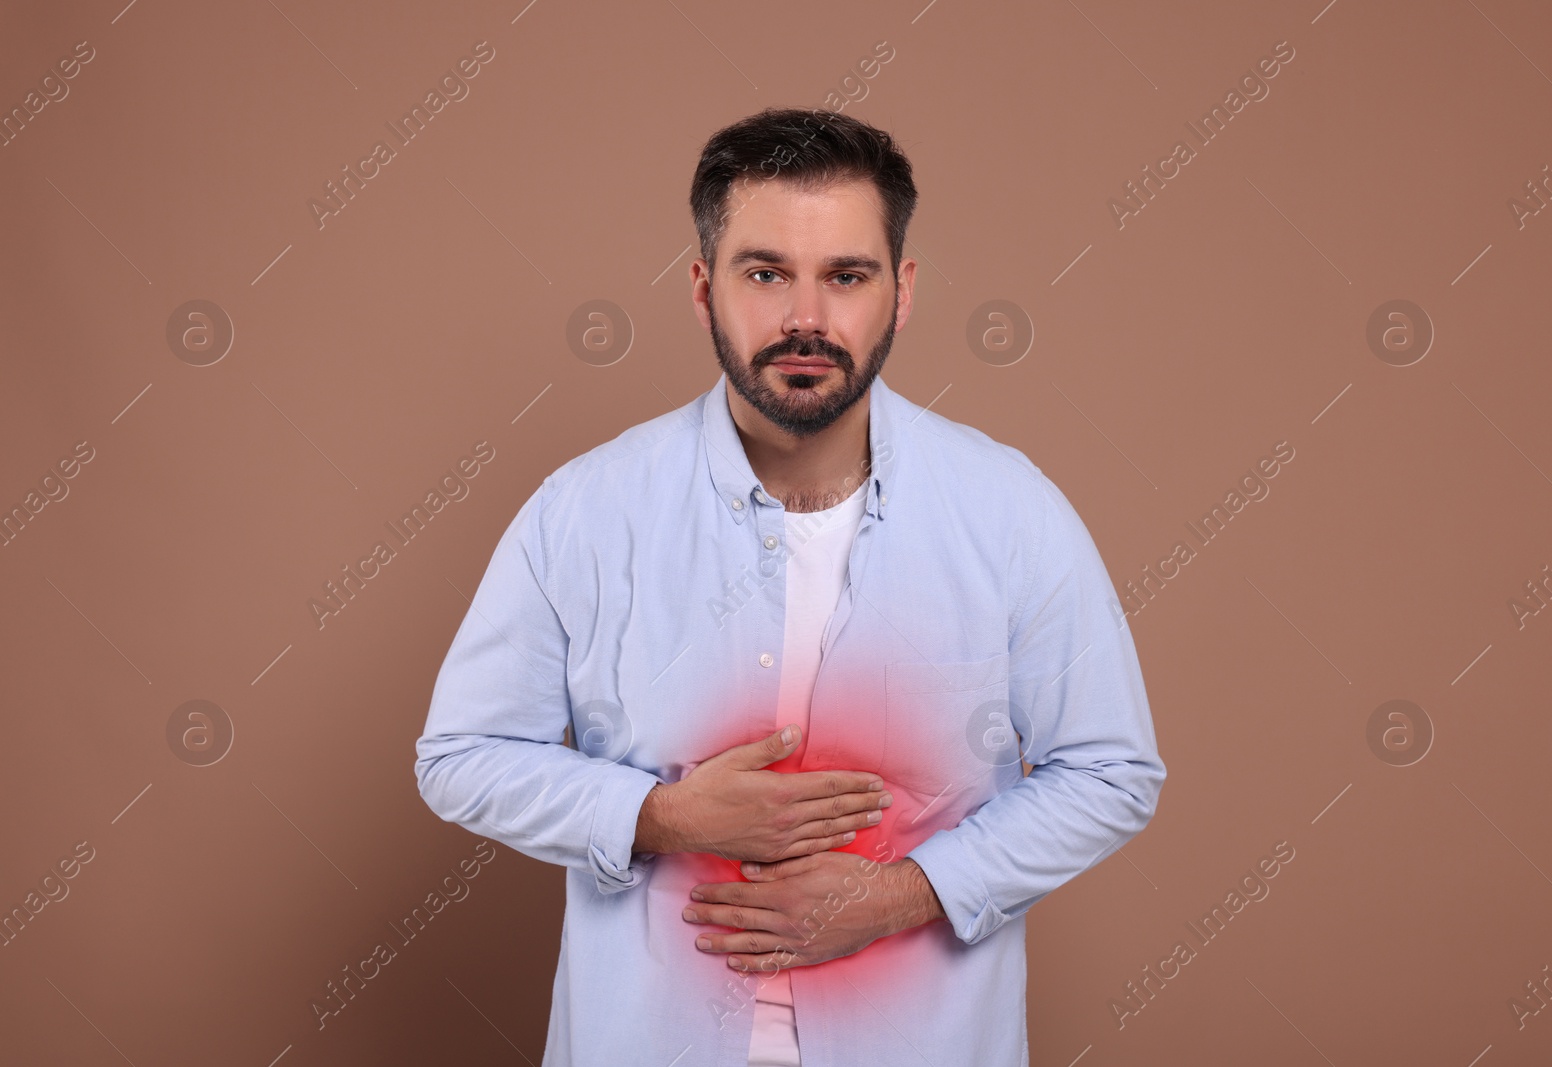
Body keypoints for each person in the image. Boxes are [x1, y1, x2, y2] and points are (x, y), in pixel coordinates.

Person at [414, 106, 1166, 1066]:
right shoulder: (587, 513)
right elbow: (461, 755)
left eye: (845, 276)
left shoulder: (1010, 511)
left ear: (901, 292)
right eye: (765, 273)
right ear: (703, 289)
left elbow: (1110, 772)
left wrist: (901, 894)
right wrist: (662, 815)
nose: (805, 317)